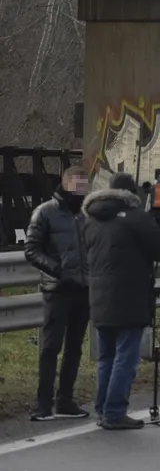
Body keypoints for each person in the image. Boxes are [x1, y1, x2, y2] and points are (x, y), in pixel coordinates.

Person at [82, 172, 160, 430]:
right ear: (132, 194)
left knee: (106, 358)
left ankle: (103, 410)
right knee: (125, 358)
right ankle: (114, 412)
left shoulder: (91, 220)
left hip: (99, 297)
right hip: (130, 297)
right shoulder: (136, 218)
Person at [23, 165, 91, 422]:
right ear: (66, 183)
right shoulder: (45, 212)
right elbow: (31, 249)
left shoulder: (86, 214)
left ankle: (65, 400)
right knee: (51, 347)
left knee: (75, 347)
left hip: (83, 289)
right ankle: (43, 403)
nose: (81, 190)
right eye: (77, 184)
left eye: (84, 185)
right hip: (58, 289)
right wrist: (57, 270)